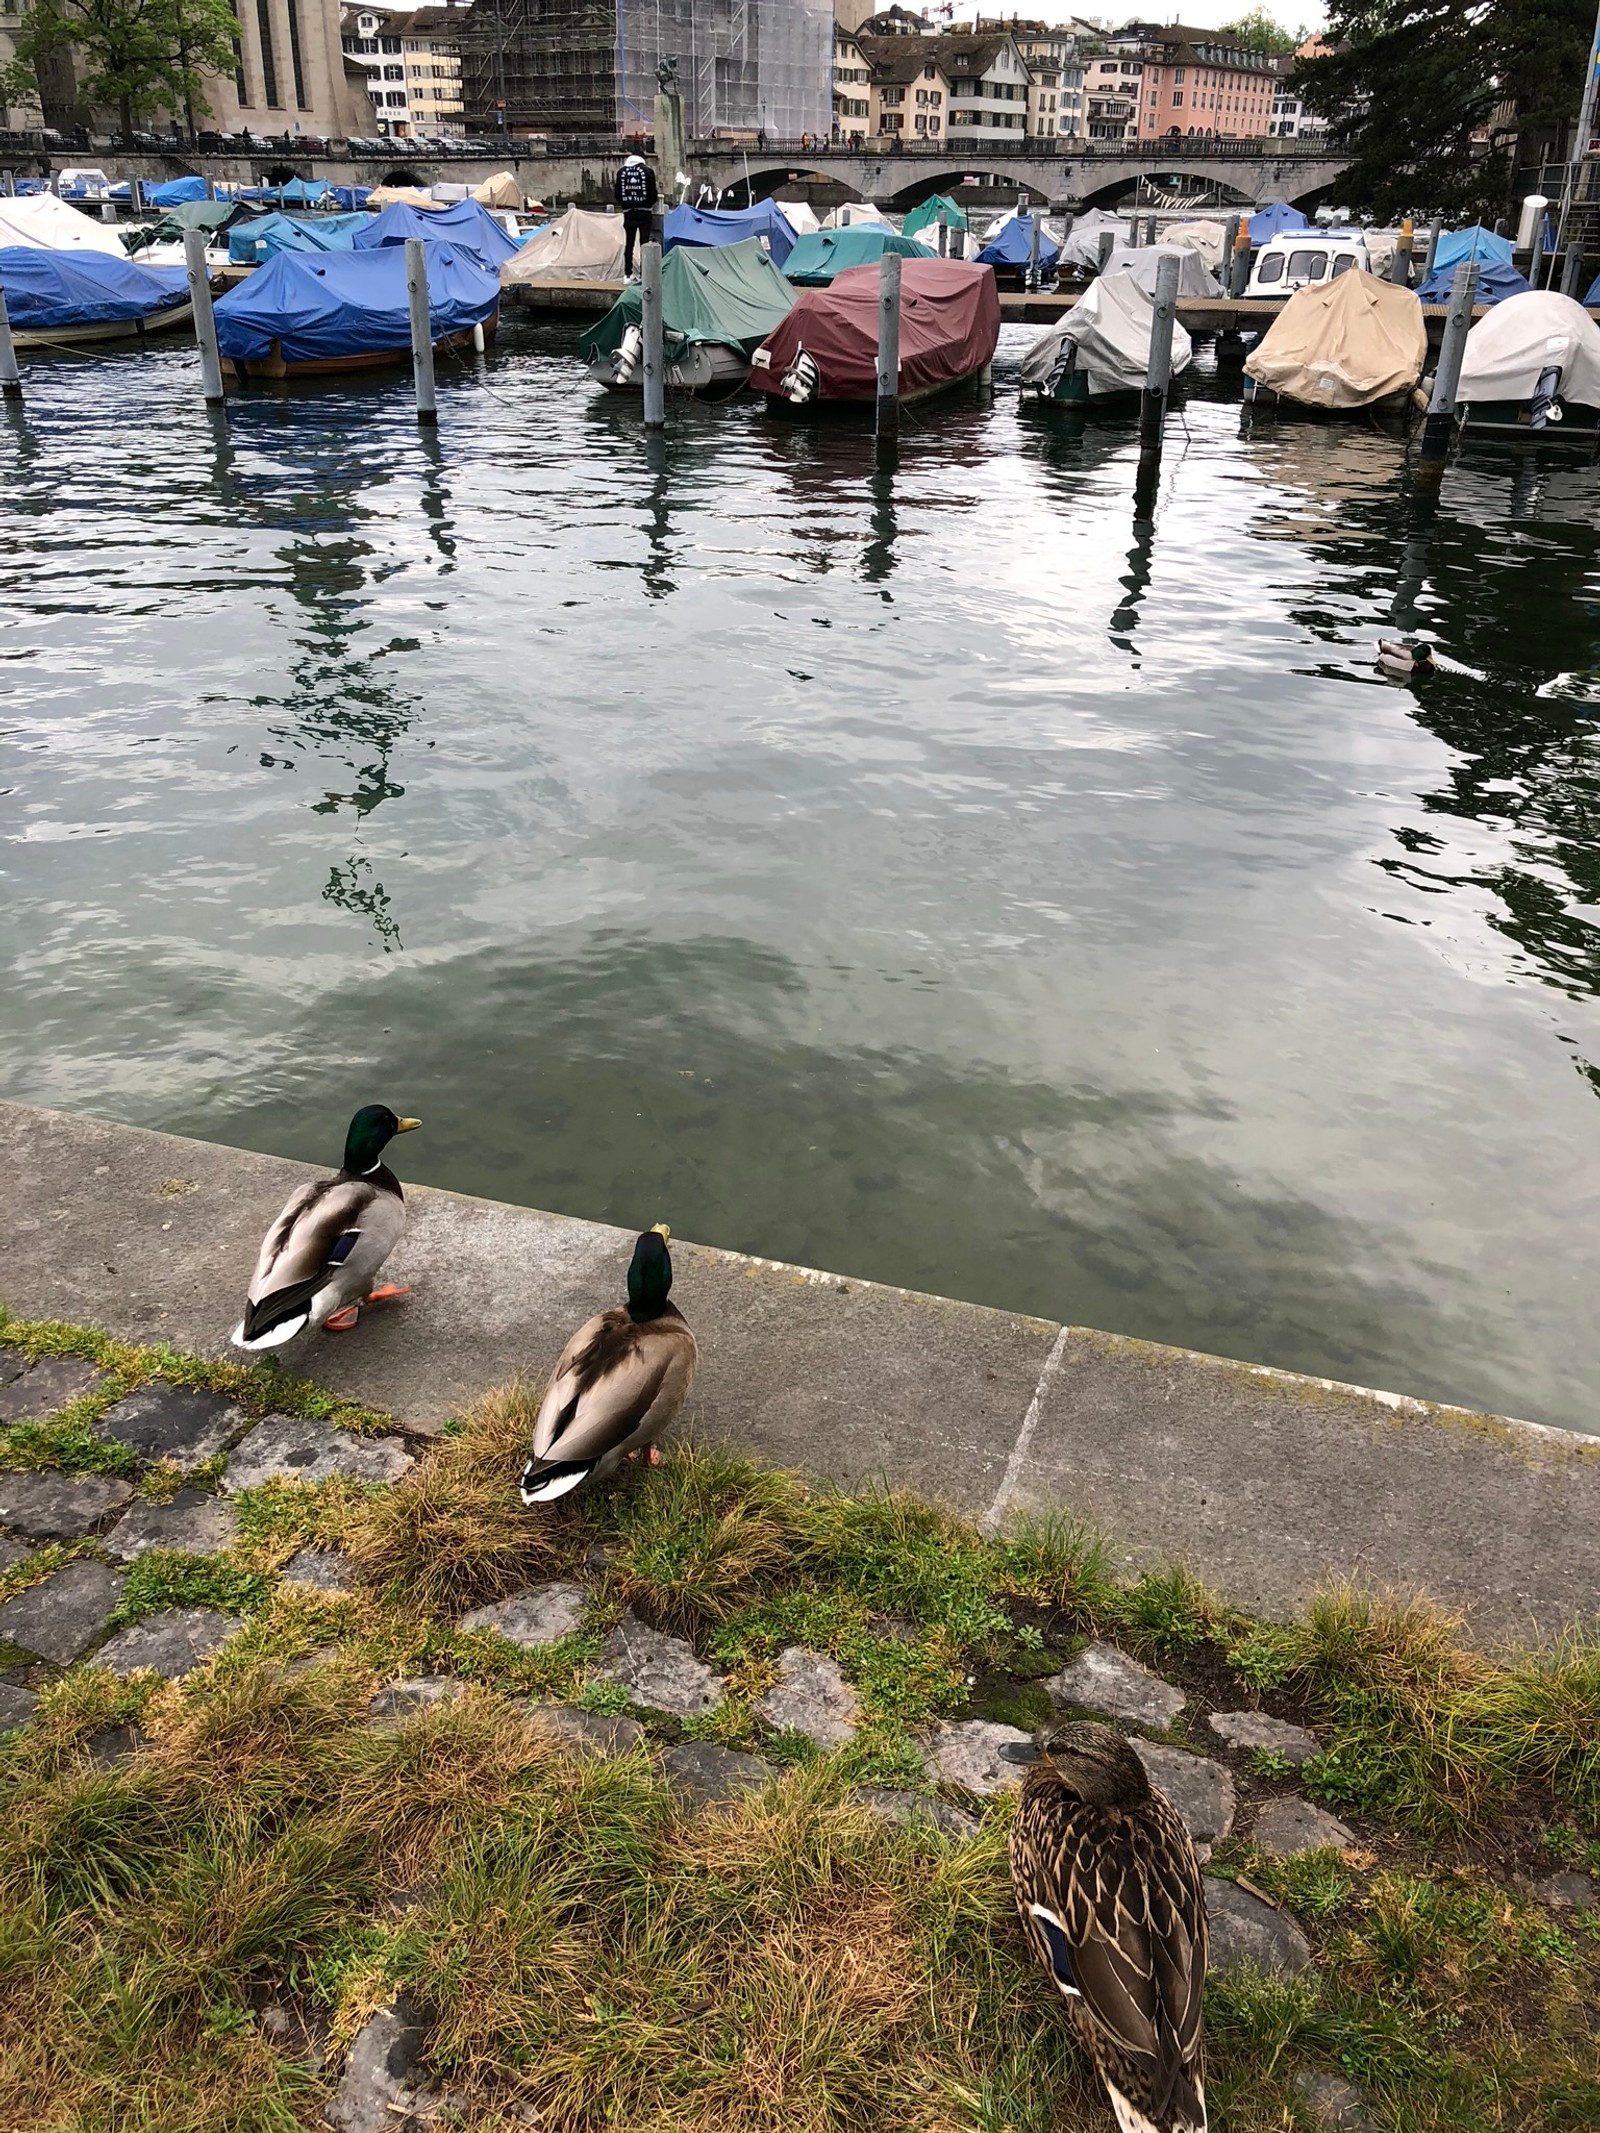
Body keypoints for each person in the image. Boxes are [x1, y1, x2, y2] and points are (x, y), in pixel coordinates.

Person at [615, 152, 659, 278]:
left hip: (628, 212)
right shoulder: (648, 171)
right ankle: (643, 274)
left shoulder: (621, 172)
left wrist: (626, 204)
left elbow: (618, 194)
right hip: (645, 212)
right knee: (644, 243)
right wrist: (648, 204)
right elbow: (652, 192)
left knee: (629, 243)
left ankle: (627, 274)